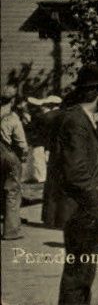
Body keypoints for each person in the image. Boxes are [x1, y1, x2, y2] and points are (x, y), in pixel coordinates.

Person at [48, 64, 98, 305]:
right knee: (79, 273)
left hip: (82, 209)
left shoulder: (78, 118)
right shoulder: (76, 121)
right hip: (80, 210)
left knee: (84, 271)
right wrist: (94, 197)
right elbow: (76, 171)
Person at [1, 85, 28, 240]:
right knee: (12, 190)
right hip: (8, 154)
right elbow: (21, 143)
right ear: (12, 100)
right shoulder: (12, 117)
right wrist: (23, 155)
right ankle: (11, 231)